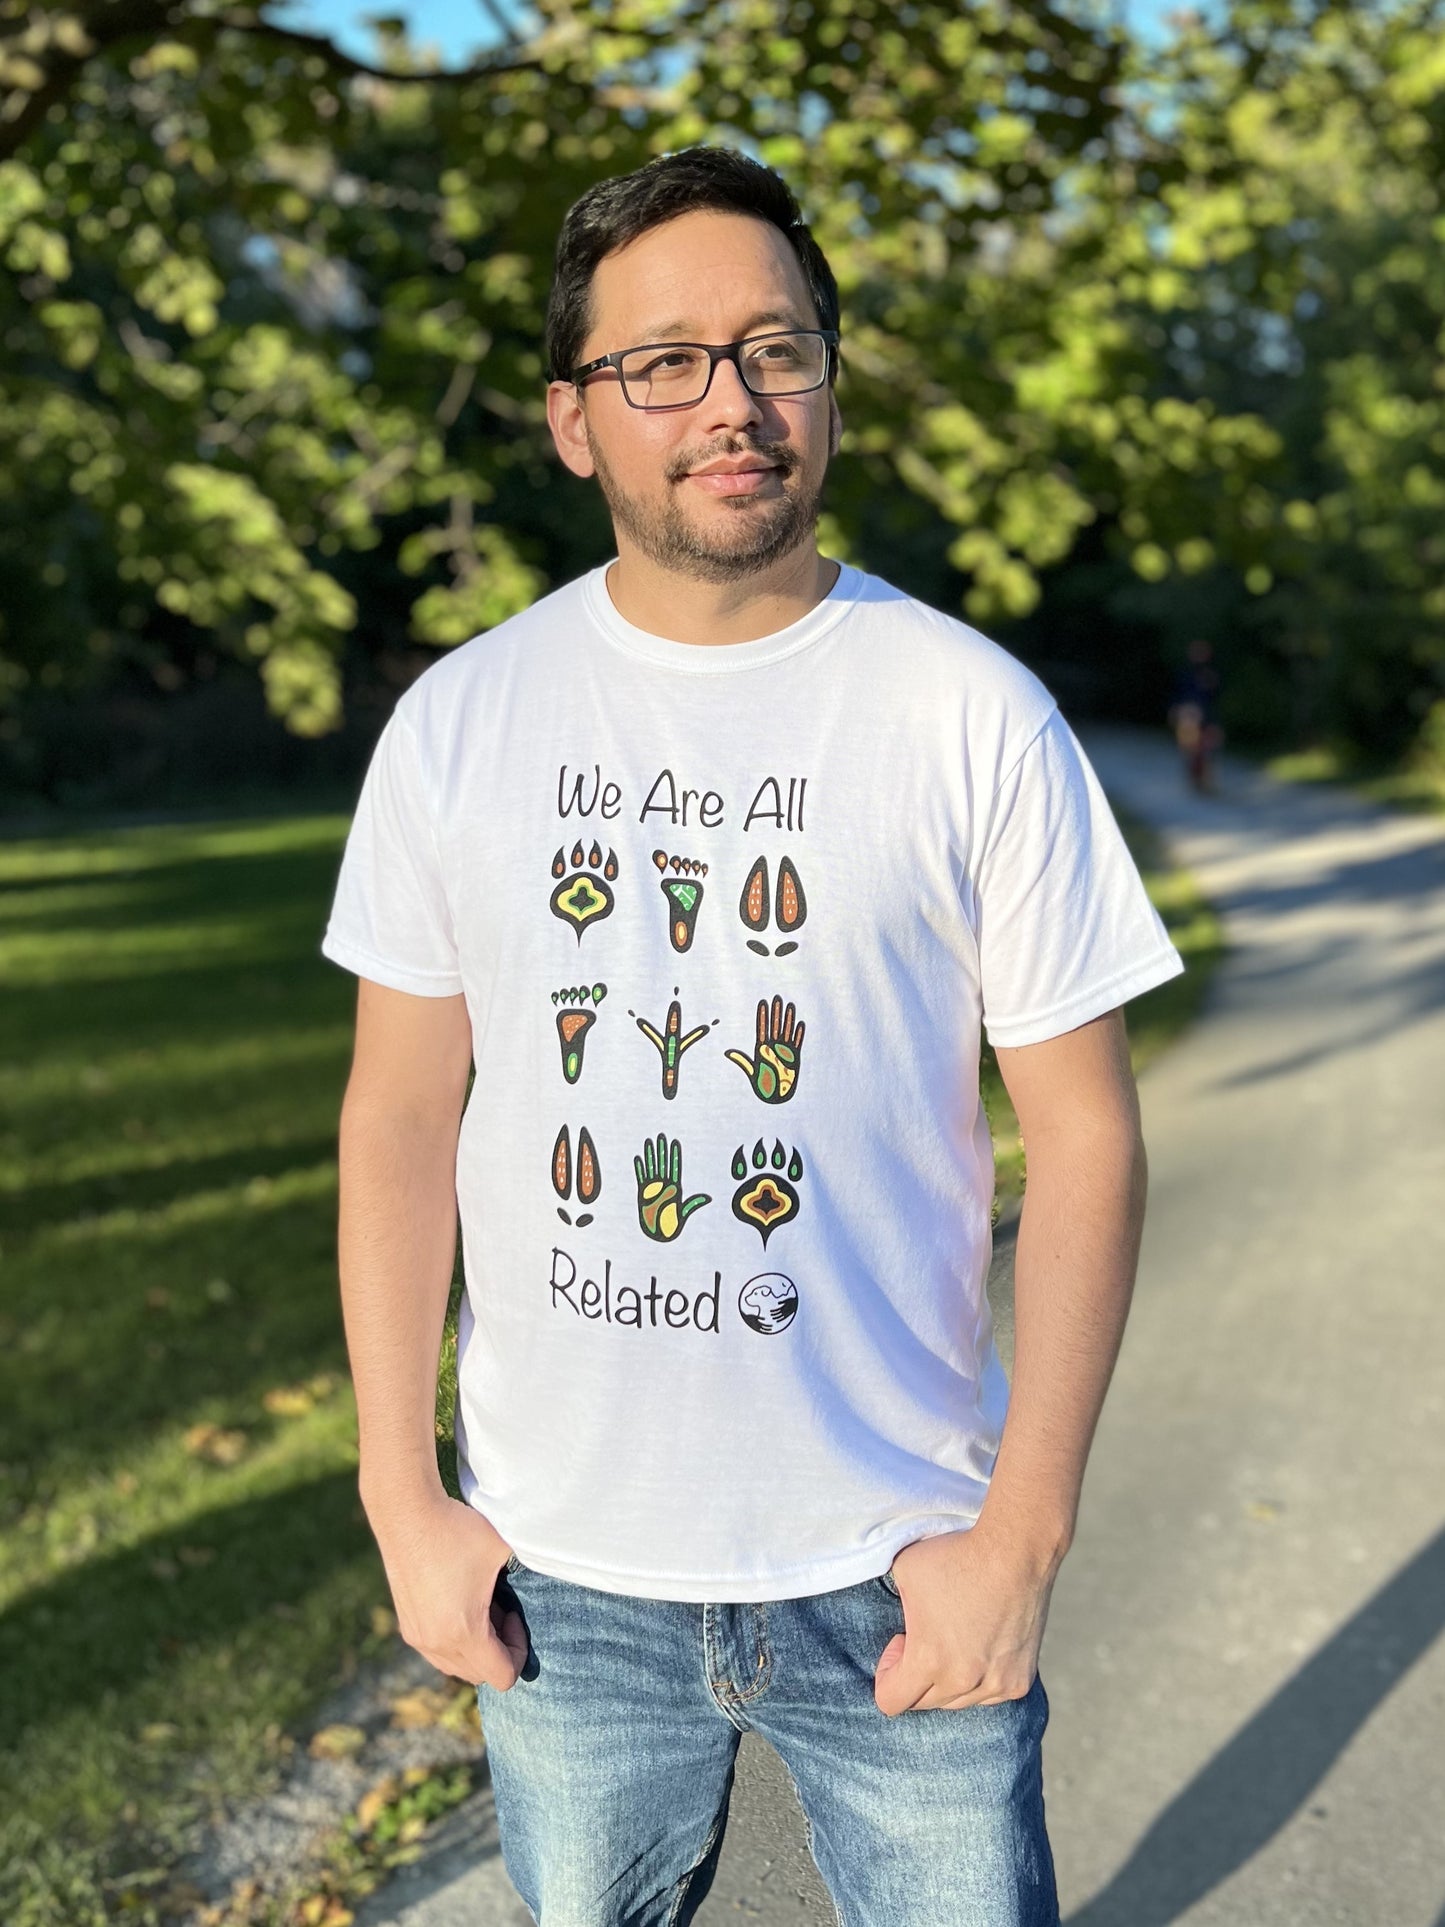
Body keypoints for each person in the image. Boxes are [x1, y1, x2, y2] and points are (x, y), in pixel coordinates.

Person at [322, 146, 1186, 1927]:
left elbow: (1087, 1134)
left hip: (900, 1560)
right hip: (564, 1585)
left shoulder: (972, 716)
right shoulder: (460, 728)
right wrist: (402, 1492)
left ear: (828, 386)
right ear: (575, 421)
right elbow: (402, 1118)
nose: (732, 401)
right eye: (666, 361)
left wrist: (1018, 1540)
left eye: (775, 349)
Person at [1167, 637, 1224, 794]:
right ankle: (1194, 780)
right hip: (1189, 719)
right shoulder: (1185, 673)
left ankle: (1207, 781)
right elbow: (1177, 695)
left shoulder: (1211, 674)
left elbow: (1216, 696)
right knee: (1191, 751)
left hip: (1208, 717)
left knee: (1209, 751)